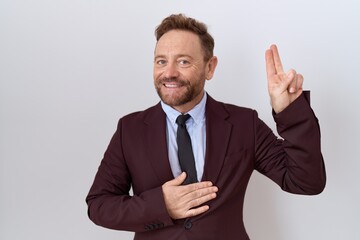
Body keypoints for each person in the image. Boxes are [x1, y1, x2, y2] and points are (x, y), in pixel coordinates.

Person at [86, 13, 326, 240]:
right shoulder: (130, 129)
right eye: (161, 61)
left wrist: (290, 112)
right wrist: (161, 205)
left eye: (183, 61)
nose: (169, 73)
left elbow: (305, 182)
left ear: (209, 67)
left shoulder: (245, 123)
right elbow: (99, 205)